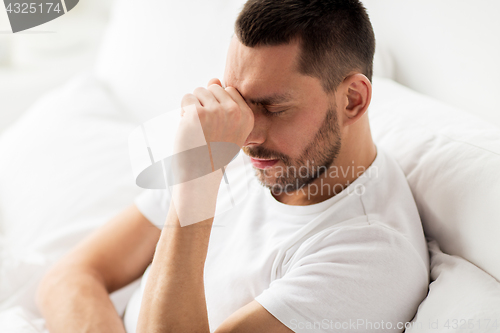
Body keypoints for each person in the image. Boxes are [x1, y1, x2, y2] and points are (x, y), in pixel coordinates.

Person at [36, 1, 430, 332]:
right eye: (238, 100)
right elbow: (68, 276)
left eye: (274, 108)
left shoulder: (372, 256)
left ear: (353, 101)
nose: (246, 133)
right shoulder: (239, 143)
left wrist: (196, 181)